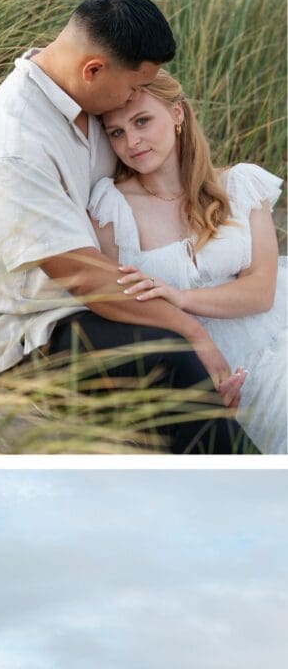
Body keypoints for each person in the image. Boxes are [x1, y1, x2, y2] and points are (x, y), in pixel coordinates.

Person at [0, 0, 257, 453]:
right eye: (134, 87)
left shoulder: (89, 101)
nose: (135, 98)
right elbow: (83, 278)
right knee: (170, 356)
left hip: (103, 296)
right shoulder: (12, 146)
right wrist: (191, 331)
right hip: (41, 332)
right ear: (93, 70)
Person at [89, 68, 286, 453]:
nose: (132, 141)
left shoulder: (240, 184)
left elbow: (262, 290)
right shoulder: (112, 206)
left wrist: (181, 297)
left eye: (142, 121)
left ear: (177, 114)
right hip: (190, 361)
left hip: (271, 338)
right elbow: (119, 303)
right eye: (117, 132)